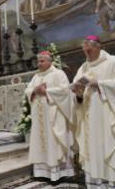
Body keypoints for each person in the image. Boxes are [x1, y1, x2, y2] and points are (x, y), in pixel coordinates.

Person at [72, 35, 115, 188]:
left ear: (98, 47)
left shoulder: (114, 62)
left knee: (112, 148)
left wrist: (99, 84)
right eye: (85, 52)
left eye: (89, 51)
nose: (87, 55)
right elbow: (77, 95)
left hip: (109, 117)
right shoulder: (83, 68)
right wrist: (78, 94)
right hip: (90, 120)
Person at [25, 52, 75, 186]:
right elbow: (28, 90)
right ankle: (42, 173)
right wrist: (33, 91)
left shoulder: (58, 74)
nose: (39, 64)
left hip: (54, 117)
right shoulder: (36, 76)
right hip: (40, 117)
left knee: (53, 143)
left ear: (49, 61)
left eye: (42, 61)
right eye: (38, 62)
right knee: (40, 142)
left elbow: (65, 91)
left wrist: (47, 91)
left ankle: (57, 174)